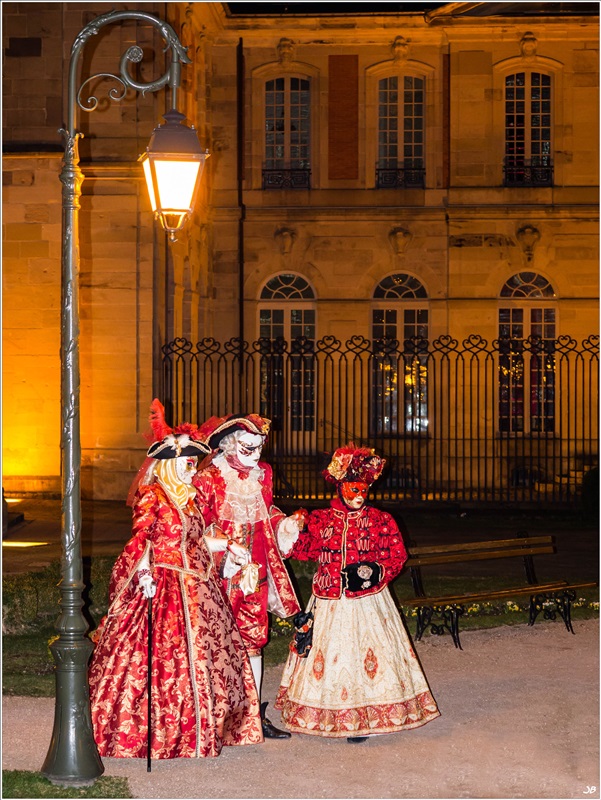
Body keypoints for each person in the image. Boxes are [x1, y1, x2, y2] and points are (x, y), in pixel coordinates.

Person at [88, 400, 263, 759]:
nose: (189, 472)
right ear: (168, 466)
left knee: (209, 655)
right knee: (157, 662)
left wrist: (230, 546)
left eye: (191, 466)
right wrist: (143, 572)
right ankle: (154, 734)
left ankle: (208, 730)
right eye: (184, 466)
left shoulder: (191, 498)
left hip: (198, 583)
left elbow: (197, 539)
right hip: (163, 584)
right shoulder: (153, 496)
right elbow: (141, 539)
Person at [275, 442, 440, 742]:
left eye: (364, 490)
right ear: (340, 488)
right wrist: (290, 530)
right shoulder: (322, 520)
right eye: (353, 489)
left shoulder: (380, 520)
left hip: (368, 602)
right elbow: (303, 550)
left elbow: (396, 555)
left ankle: (368, 714)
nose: (359, 496)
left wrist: (374, 574)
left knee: (369, 653)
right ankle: (325, 712)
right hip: (327, 600)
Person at [193, 413, 306, 739]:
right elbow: (194, 526)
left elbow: (264, 514)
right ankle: (215, 715)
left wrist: (285, 524)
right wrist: (223, 553)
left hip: (255, 574)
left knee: (254, 641)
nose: (256, 456)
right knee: (217, 641)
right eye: (247, 449)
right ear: (228, 446)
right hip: (219, 575)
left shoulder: (263, 476)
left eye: (259, 448)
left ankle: (252, 715)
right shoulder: (210, 479)